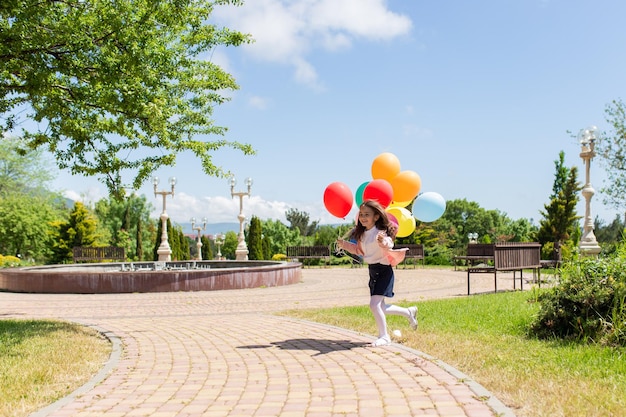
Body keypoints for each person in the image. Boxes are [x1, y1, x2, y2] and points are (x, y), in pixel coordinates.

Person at [336, 200, 418, 347]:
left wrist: (383, 242)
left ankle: (384, 336)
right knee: (381, 307)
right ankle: (408, 312)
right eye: (361, 214)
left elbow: (388, 243)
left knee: (374, 305)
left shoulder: (380, 233)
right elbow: (358, 250)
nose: (363, 217)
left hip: (384, 270)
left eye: (367, 214)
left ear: (376, 217)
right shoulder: (361, 234)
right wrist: (344, 245)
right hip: (373, 270)